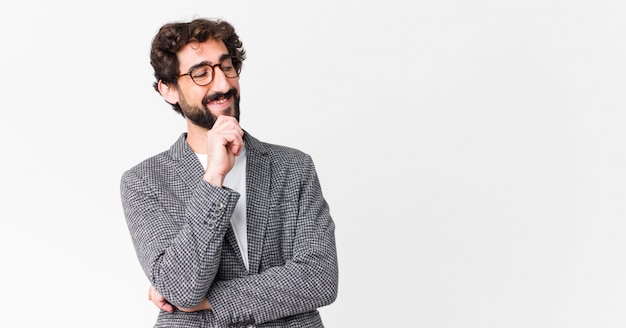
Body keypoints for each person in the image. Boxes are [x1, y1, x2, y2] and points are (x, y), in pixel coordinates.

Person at [120, 18, 338, 327]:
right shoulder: (144, 181)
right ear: (168, 90)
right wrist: (213, 179)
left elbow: (319, 279)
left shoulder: (293, 167)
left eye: (227, 67)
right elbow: (182, 288)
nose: (223, 85)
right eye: (201, 73)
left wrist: (208, 301)